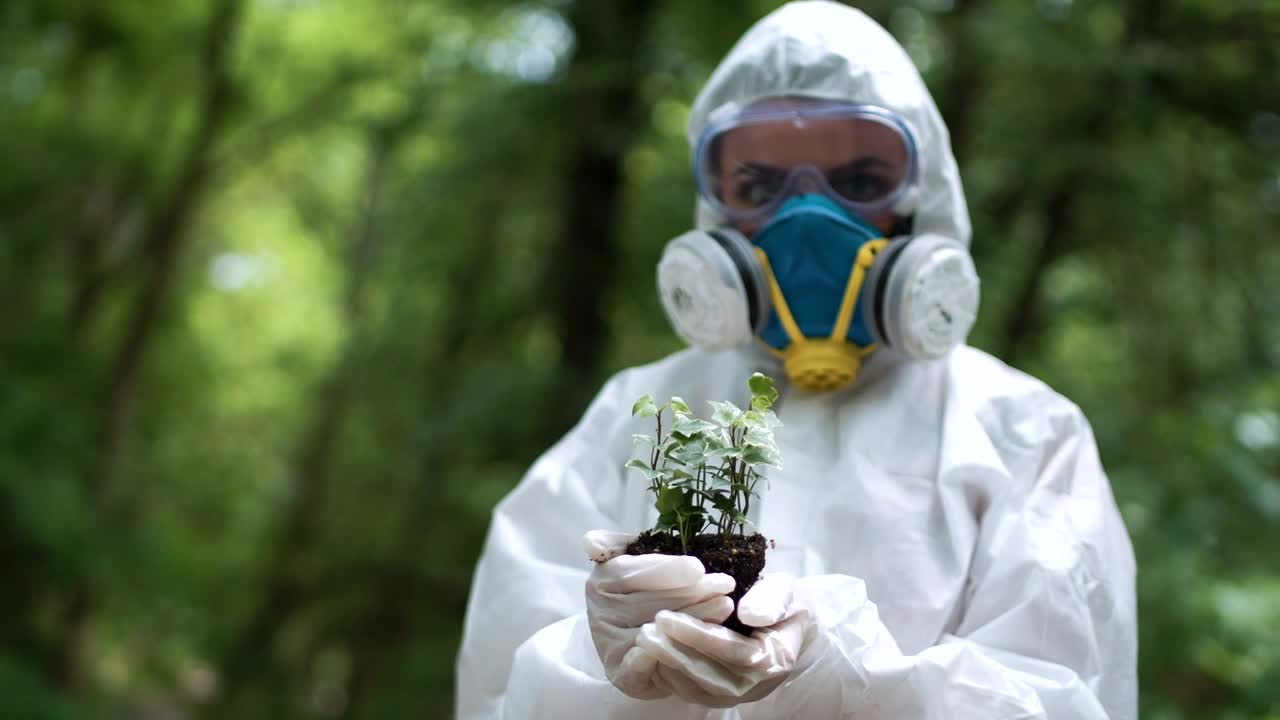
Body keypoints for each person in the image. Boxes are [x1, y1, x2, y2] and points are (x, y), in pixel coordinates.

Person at [454, 2, 1137, 718]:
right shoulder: (628, 423)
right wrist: (593, 664)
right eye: (757, 188)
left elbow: (1062, 695)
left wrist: (841, 673)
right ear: (716, 215)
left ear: (921, 202)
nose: (807, 220)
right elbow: (499, 694)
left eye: (863, 181)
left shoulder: (1025, 435)